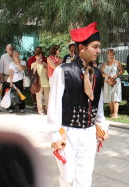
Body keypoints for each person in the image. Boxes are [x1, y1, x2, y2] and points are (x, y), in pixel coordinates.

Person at [46, 22, 109, 187]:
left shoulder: (96, 74)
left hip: (89, 133)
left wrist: (102, 125)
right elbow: (54, 105)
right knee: (67, 177)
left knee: (84, 177)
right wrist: (55, 134)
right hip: (67, 132)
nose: (98, 50)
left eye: (99, 47)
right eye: (95, 46)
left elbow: (98, 103)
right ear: (82, 48)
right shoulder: (63, 71)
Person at [101, 49, 124, 118]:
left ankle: (116, 114)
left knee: (115, 97)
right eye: (110, 55)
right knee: (109, 98)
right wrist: (105, 75)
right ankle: (111, 113)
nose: (111, 56)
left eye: (112, 55)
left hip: (115, 82)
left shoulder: (117, 62)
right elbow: (101, 73)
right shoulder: (104, 64)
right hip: (107, 82)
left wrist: (116, 75)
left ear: (114, 55)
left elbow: (122, 70)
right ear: (107, 55)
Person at [31, 51, 50, 115]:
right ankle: (41, 111)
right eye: (38, 56)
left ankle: (48, 111)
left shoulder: (44, 63)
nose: (40, 57)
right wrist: (37, 64)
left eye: (41, 56)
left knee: (47, 98)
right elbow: (33, 73)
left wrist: (45, 67)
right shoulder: (33, 64)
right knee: (39, 97)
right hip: (38, 83)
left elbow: (48, 73)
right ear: (35, 56)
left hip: (46, 82)